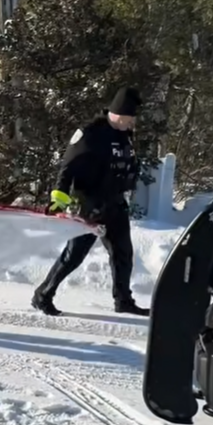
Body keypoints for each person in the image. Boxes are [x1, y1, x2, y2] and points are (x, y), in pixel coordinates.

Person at [32, 87, 150, 317]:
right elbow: (68, 167)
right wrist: (59, 199)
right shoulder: (91, 133)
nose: (133, 123)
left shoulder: (124, 134)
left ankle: (123, 301)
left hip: (115, 203)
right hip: (89, 205)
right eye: (130, 118)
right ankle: (43, 295)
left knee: (123, 254)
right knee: (74, 255)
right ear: (119, 114)